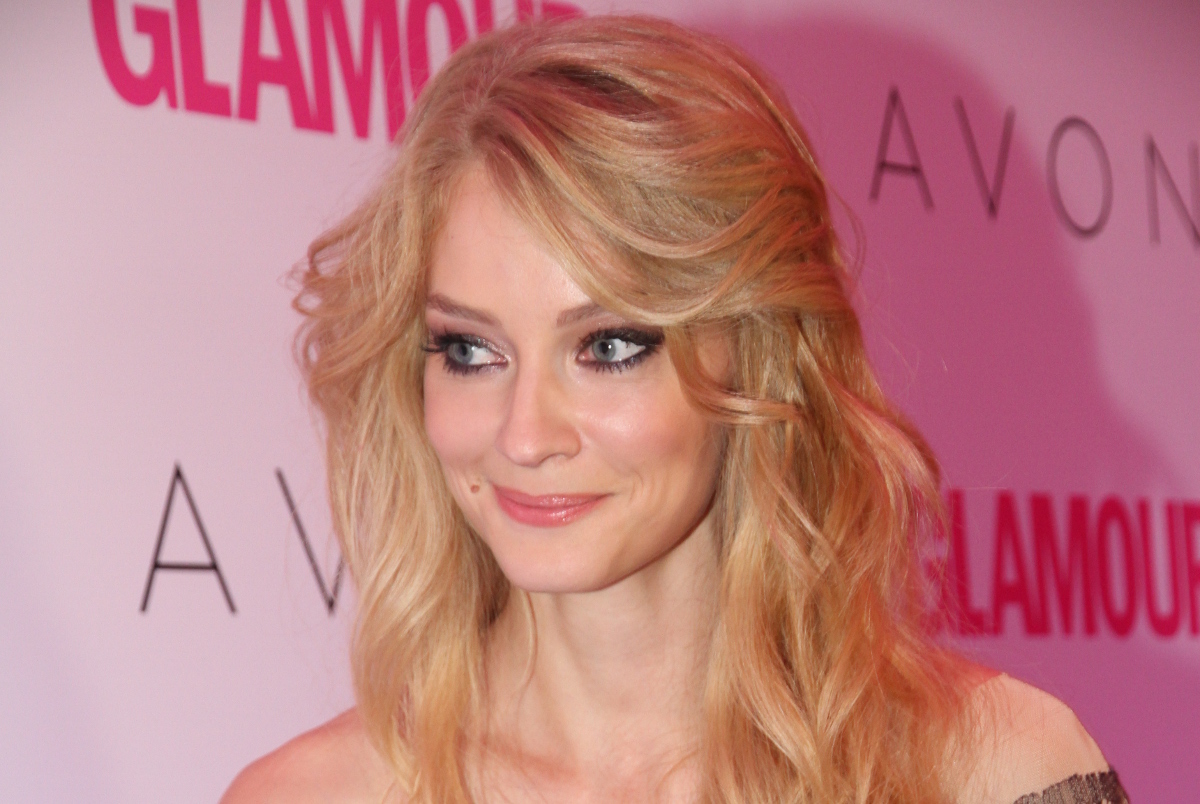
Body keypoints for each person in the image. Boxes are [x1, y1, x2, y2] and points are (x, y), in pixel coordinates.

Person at [222, 15, 1127, 804]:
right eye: (470, 351)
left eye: (610, 346)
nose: (524, 436)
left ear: (758, 353)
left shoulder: (994, 770)